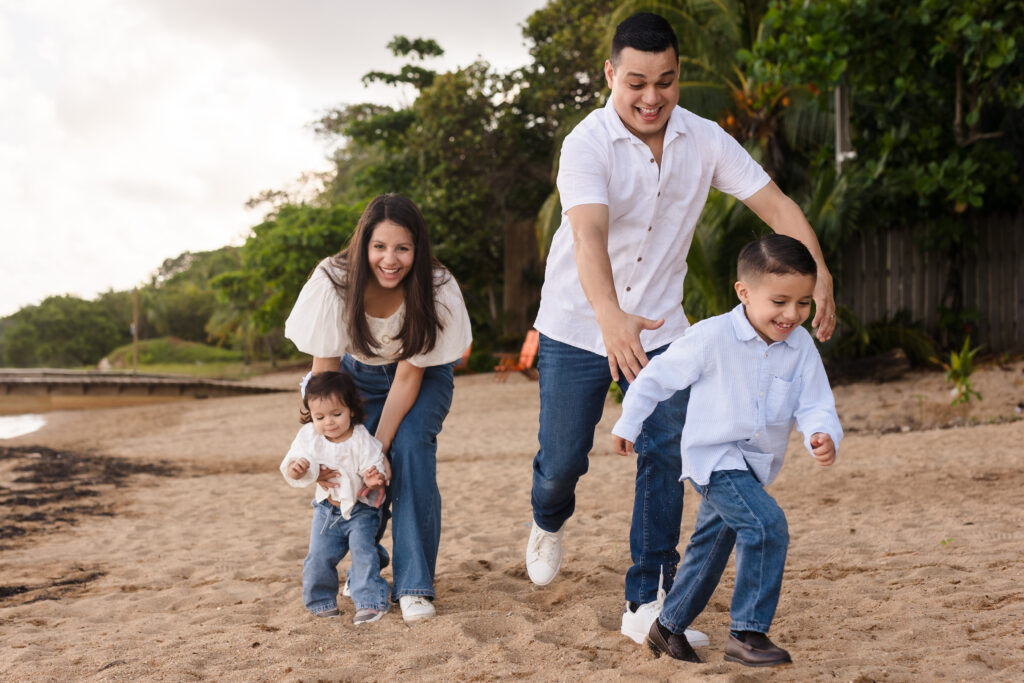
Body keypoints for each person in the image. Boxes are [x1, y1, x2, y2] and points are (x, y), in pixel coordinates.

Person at [526, 10, 838, 647]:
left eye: (665, 81)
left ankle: (648, 596)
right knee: (560, 464)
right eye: (636, 82)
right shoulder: (586, 143)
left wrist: (821, 270)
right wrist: (611, 318)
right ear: (611, 74)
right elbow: (586, 234)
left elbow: (775, 206)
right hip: (577, 323)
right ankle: (547, 518)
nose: (651, 97)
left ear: (679, 77)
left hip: (666, 325)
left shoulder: (705, 139)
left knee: (666, 456)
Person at [611, 234, 843, 666]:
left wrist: (821, 432)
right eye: (779, 302)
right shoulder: (712, 336)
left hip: (755, 465)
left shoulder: (801, 347)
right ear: (744, 292)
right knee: (766, 524)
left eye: (804, 303)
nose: (792, 314)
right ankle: (748, 635)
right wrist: (628, 422)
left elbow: (815, 403)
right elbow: (655, 377)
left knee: (709, 549)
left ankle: (668, 626)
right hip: (713, 458)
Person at [284, 193, 472, 623]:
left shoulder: (436, 286)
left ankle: (414, 586)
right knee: (351, 460)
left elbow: (409, 377)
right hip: (353, 378)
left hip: (420, 378)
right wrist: (327, 446)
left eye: (403, 248)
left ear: (417, 249)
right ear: (363, 245)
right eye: (380, 247)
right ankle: (368, 566)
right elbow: (326, 373)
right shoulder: (335, 280)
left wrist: (377, 446)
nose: (391, 259)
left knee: (407, 451)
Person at [280, 370, 390, 624]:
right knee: (318, 557)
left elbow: (373, 463)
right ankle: (321, 601)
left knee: (362, 555)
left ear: (351, 409)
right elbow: (296, 461)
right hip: (327, 510)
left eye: (336, 414)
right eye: (320, 417)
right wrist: (297, 469)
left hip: (361, 510)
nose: (328, 422)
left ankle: (370, 602)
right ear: (310, 415)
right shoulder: (310, 436)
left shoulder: (362, 438)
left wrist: (374, 478)